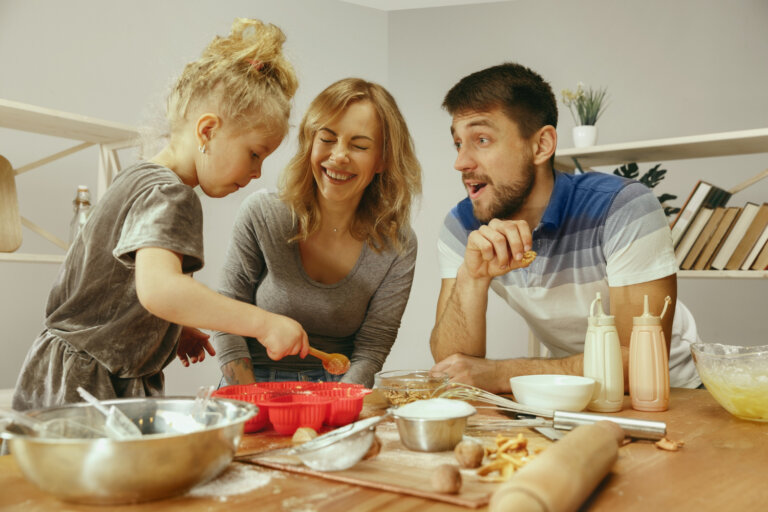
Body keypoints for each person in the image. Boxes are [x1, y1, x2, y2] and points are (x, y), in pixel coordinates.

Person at [12, 18, 308, 411]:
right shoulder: (171, 195)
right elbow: (161, 290)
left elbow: (118, 286)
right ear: (207, 131)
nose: (256, 173)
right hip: (91, 388)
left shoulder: (135, 176)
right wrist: (264, 322)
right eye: (254, 153)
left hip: (60, 371)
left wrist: (170, 328)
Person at [430, 62, 701, 394]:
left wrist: (503, 374)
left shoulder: (623, 207)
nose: (461, 162)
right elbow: (452, 368)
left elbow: (640, 363)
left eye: (481, 139)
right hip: (571, 392)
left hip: (674, 394)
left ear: (542, 145)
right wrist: (471, 279)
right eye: (458, 143)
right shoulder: (463, 227)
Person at [213, 78, 422, 388]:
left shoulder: (398, 244)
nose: (338, 156)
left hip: (339, 387)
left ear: (382, 160)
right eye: (327, 138)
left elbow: (373, 346)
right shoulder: (262, 213)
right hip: (250, 383)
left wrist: (339, 403)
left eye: (359, 146)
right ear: (310, 142)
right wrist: (247, 395)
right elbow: (226, 313)